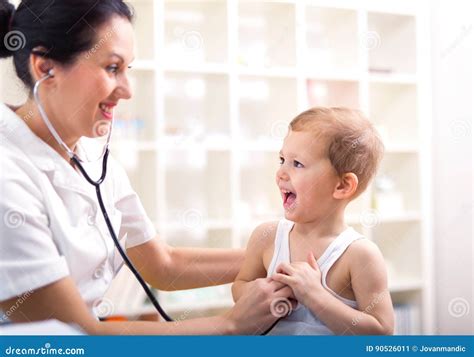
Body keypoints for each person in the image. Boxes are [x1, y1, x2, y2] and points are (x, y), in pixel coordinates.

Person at [0, 0, 292, 335]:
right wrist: (230, 325)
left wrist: (283, 257)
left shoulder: (92, 154)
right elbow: (78, 334)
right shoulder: (6, 174)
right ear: (45, 68)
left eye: (128, 70)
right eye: (112, 68)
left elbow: (163, 264)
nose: (127, 90)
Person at [232, 107, 395, 335]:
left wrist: (314, 296)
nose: (281, 173)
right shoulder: (265, 237)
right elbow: (239, 286)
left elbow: (382, 332)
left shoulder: (359, 255)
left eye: (297, 163)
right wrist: (263, 293)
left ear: (342, 186)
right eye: (282, 160)